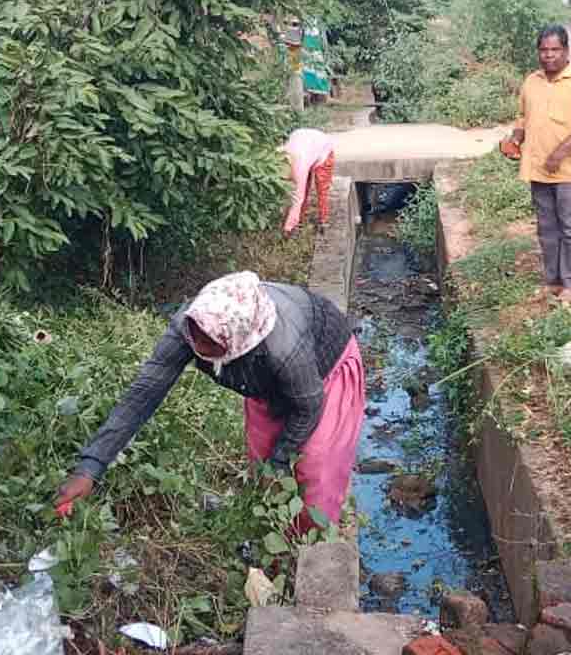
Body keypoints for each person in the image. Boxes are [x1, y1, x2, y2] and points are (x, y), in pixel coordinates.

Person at [55, 271, 365, 532]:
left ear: (238, 343)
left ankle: (313, 551)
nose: (199, 347)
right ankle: (274, 547)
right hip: (264, 384)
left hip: (323, 376)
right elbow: (143, 394)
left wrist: (281, 462)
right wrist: (90, 466)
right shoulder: (191, 326)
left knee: (314, 475)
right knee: (263, 473)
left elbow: (308, 405)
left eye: (210, 342)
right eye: (196, 338)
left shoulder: (283, 348)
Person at [500, 25, 571, 305]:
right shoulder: (531, 81)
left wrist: (560, 153)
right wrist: (515, 139)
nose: (549, 56)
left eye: (555, 50)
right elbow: (522, 117)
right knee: (547, 229)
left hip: (569, 171)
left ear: (566, 51)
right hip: (537, 170)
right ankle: (553, 281)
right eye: (544, 50)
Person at [282, 128, 336, 235]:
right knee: (302, 189)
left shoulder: (299, 167)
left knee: (321, 189)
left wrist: (287, 228)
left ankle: (323, 221)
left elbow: (298, 197)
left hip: (323, 149)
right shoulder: (280, 153)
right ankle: (299, 221)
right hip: (306, 143)